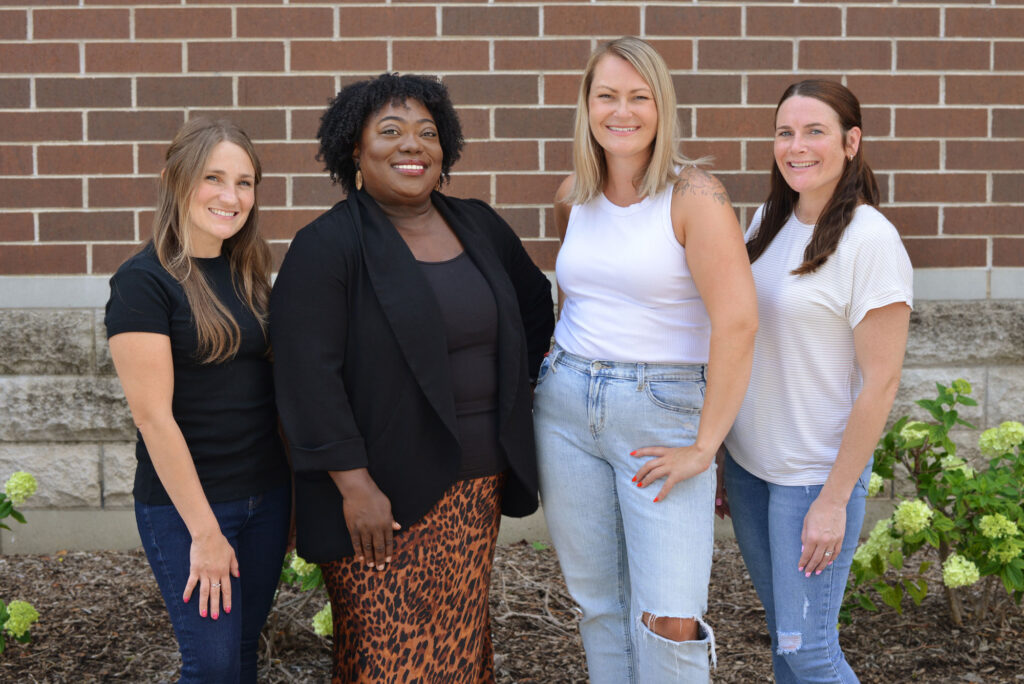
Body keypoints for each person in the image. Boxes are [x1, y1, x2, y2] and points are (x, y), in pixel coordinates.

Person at [269, 73, 554, 683]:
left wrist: (513, 398)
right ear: (355, 148)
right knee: (385, 655)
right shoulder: (327, 246)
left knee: (459, 647)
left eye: (428, 132)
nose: (412, 145)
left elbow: (533, 308)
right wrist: (355, 486)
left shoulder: (479, 226)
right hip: (380, 496)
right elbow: (306, 376)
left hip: (476, 486)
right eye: (391, 131)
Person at [533, 37, 758, 682]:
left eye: (639, 96)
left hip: (663, 411)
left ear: (663, 107)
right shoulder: (573, 194)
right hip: (567, 406)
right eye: (607, 95)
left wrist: (705, 446)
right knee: (599, 604)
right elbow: (576, 294)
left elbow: (738, 322)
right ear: (587, 105)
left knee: (669, 616)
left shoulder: (696, 196)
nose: (622, 111)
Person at [722, 80, 913, 683]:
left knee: (809, 651)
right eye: (785, 132)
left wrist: (833, 500)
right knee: (786, 642)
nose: (796, 146)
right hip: (750, 469)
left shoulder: (870, 240)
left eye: (814, 132)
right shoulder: (768, 222)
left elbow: (881, 383)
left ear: (851, 142)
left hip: (812, 479)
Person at [105, 118, 291, 682]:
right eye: (213, 178)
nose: (231, 197)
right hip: (188, 509)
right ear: (174, 180)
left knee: (241, 656)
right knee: (211, 666)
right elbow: (153, 418)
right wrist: (206, 533)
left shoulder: (249, 273)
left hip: (267, 498)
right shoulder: (143, 282)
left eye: (244, 182)